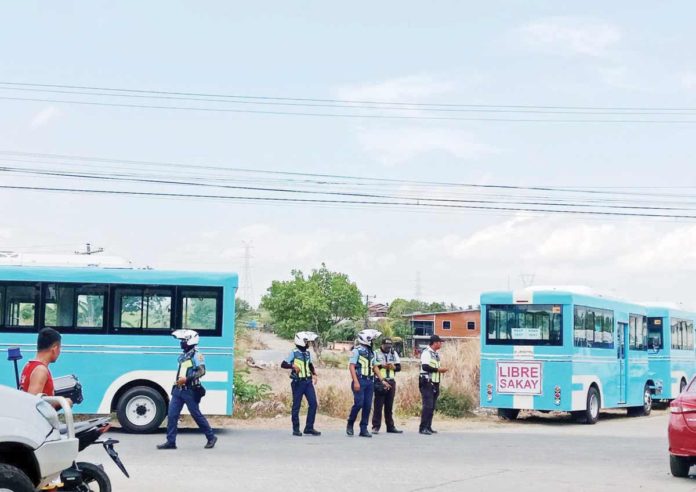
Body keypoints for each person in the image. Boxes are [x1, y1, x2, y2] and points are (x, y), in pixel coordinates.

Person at [157, 329, 217, 450]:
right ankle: (171, 442)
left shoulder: (197, 355)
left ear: (190, 341)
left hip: (190, 390)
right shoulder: (184, 355)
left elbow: (202, 371)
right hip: (178, 390)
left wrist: (187, 379)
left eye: (183, 340)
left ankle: (211, 437)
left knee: (196, 415)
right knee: (172, 415)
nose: (181, 343)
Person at [346, 329, 390, 438]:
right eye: (372, 339)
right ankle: (350, 423)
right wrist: (356, 381)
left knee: (367, 405)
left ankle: (363, 428)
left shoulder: (371, 352)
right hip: (360, 380)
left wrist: (382, 380)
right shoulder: (357, 351)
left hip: (370, 381)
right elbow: (351, 366)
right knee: (359, 403)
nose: (373, 341)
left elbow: (375, 367)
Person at [281, 331, 321, 437]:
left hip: (308, 382)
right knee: (296, 406)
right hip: (298, 382)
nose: (308, 343)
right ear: (301, 341)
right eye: (306, 341)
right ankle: (296, 429)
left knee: (313, 403)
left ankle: (309, 427)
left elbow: (310, 365)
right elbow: (283, 364)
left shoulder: (307, 353)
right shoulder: (294, 353)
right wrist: (293, 366)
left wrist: (314, 374)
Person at [20, 327, 72, 409]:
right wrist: (64, 402)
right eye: (60, 348)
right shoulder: (40, 370)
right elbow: (33, 406)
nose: (59, 352)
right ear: (55, 349)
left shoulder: (28, 365)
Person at [371, 337, 402, 434]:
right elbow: (373, 367)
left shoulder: (393, 353)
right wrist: (382, 365)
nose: (388, 348)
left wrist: (394, 367)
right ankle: (376, 426)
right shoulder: (375, 353)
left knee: (389, 406)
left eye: (389, 346)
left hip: (391, 381)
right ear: (382, 345)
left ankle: (390, 426)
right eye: (386, 346)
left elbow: (399, 368)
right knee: (378, 405)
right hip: (380, 381)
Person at [419, 335, 448, 435]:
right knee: (428, 405)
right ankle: (423, 428)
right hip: (427, 381)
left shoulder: (435, 354)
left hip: (435, 382)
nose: (441, 344)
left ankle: (428, 426)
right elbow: (425, 366)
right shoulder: (426, 353)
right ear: (435, 343)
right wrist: (438, 370)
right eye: (440, 342)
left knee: (432, 406)